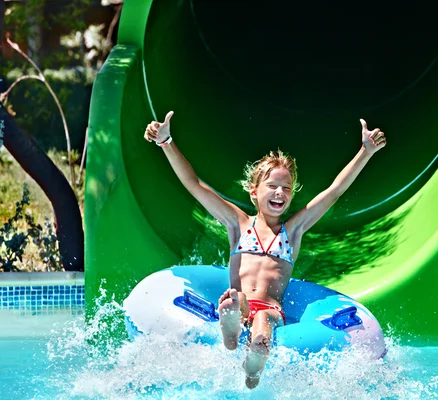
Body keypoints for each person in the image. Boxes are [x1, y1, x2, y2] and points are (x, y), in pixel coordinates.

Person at [144, 112, 386, 388]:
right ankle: (231, 332)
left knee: (261, 318)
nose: (280, 193)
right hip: (242, 303)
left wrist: (365, 152)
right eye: (272, 186)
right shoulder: (238, 224)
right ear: (253, 191)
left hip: (270, 311)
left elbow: (334, 191)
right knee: (235, 300)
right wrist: (166, 142)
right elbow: (195, 185)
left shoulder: (292, 231)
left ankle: (253, 367)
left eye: (286, 188)